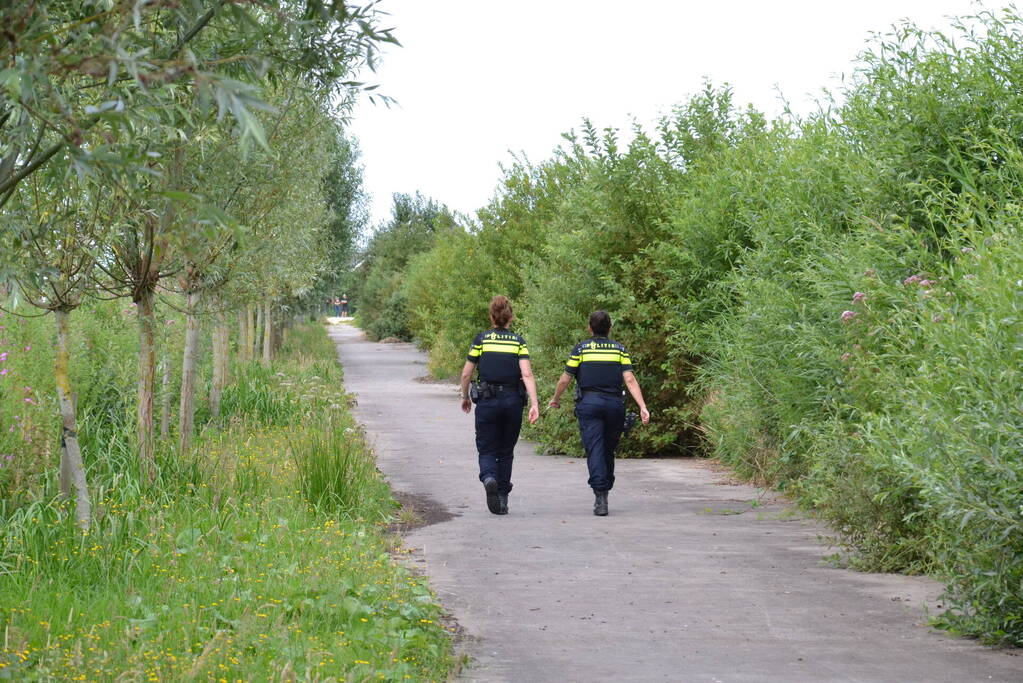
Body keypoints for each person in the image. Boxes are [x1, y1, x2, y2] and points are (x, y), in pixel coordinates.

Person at [548, 310, 650, 516]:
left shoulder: (581, 349)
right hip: (614, 405)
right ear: (610, 328)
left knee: (595, 449)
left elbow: (566, 378)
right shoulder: (618, 349)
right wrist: (642, 406)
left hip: (589, 404)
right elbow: (629, 379)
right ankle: (605, 487)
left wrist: (555, 399)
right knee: (608, 449)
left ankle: (600, 494)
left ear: (589, 328)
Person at [459, 295, 540, 515]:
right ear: (510, 318)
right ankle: (502, 498)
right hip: (513, 401)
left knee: (486, 447)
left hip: (487, 401)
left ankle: (489, 477)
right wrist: (535, 403)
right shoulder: (518, 342)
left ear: (491, 316)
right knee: (506, 451)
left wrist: (465, 396)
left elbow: (467, 372)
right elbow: (527, 373)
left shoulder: (481, 340)